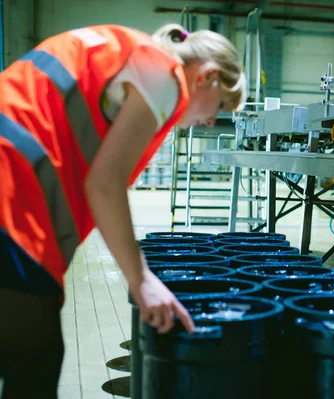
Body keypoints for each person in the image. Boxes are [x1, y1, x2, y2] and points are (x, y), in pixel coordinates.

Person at [0, 22, 246, 398]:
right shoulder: (164, 73)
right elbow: (104, 184)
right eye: (223, 105)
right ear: (208, 77)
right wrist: (142, 280)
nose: (213, 120)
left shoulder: (130, 54)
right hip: (11, 191)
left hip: (14, 184)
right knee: (35, 357)